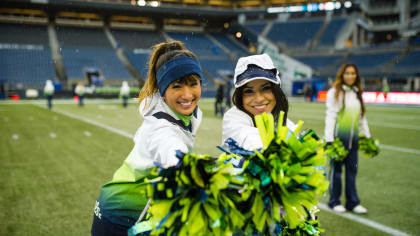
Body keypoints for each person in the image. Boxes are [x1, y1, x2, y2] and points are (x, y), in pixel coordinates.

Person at [91, 41, 204, 236]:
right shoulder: (159, 127)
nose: (187, 94)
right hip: (118, 214)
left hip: (136, 210)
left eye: (193, 83)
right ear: (162, 91)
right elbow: (170, 149)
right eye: (177, 86)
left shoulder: (193, 114)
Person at [222, 53, 296, 151]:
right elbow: (248, 138)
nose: (259, 99)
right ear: (240, 96)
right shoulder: (233, 119)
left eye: (266, 88)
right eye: (248, 91)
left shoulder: (286, 123)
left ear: (277, 91)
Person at [324, 63, 371, 214]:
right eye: (347, 73)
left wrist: (367, 135)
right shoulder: (334, 92)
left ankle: (353, 202)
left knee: (352, 172)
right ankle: (334, 201)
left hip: (354, 139)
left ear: (356, 76)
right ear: (342, 75)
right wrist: (329, 139)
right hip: (338, 139)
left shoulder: (357, 92)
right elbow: (330, 116)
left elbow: (362, 117)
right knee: (336, 172)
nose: (350, 76)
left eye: (353, 73)